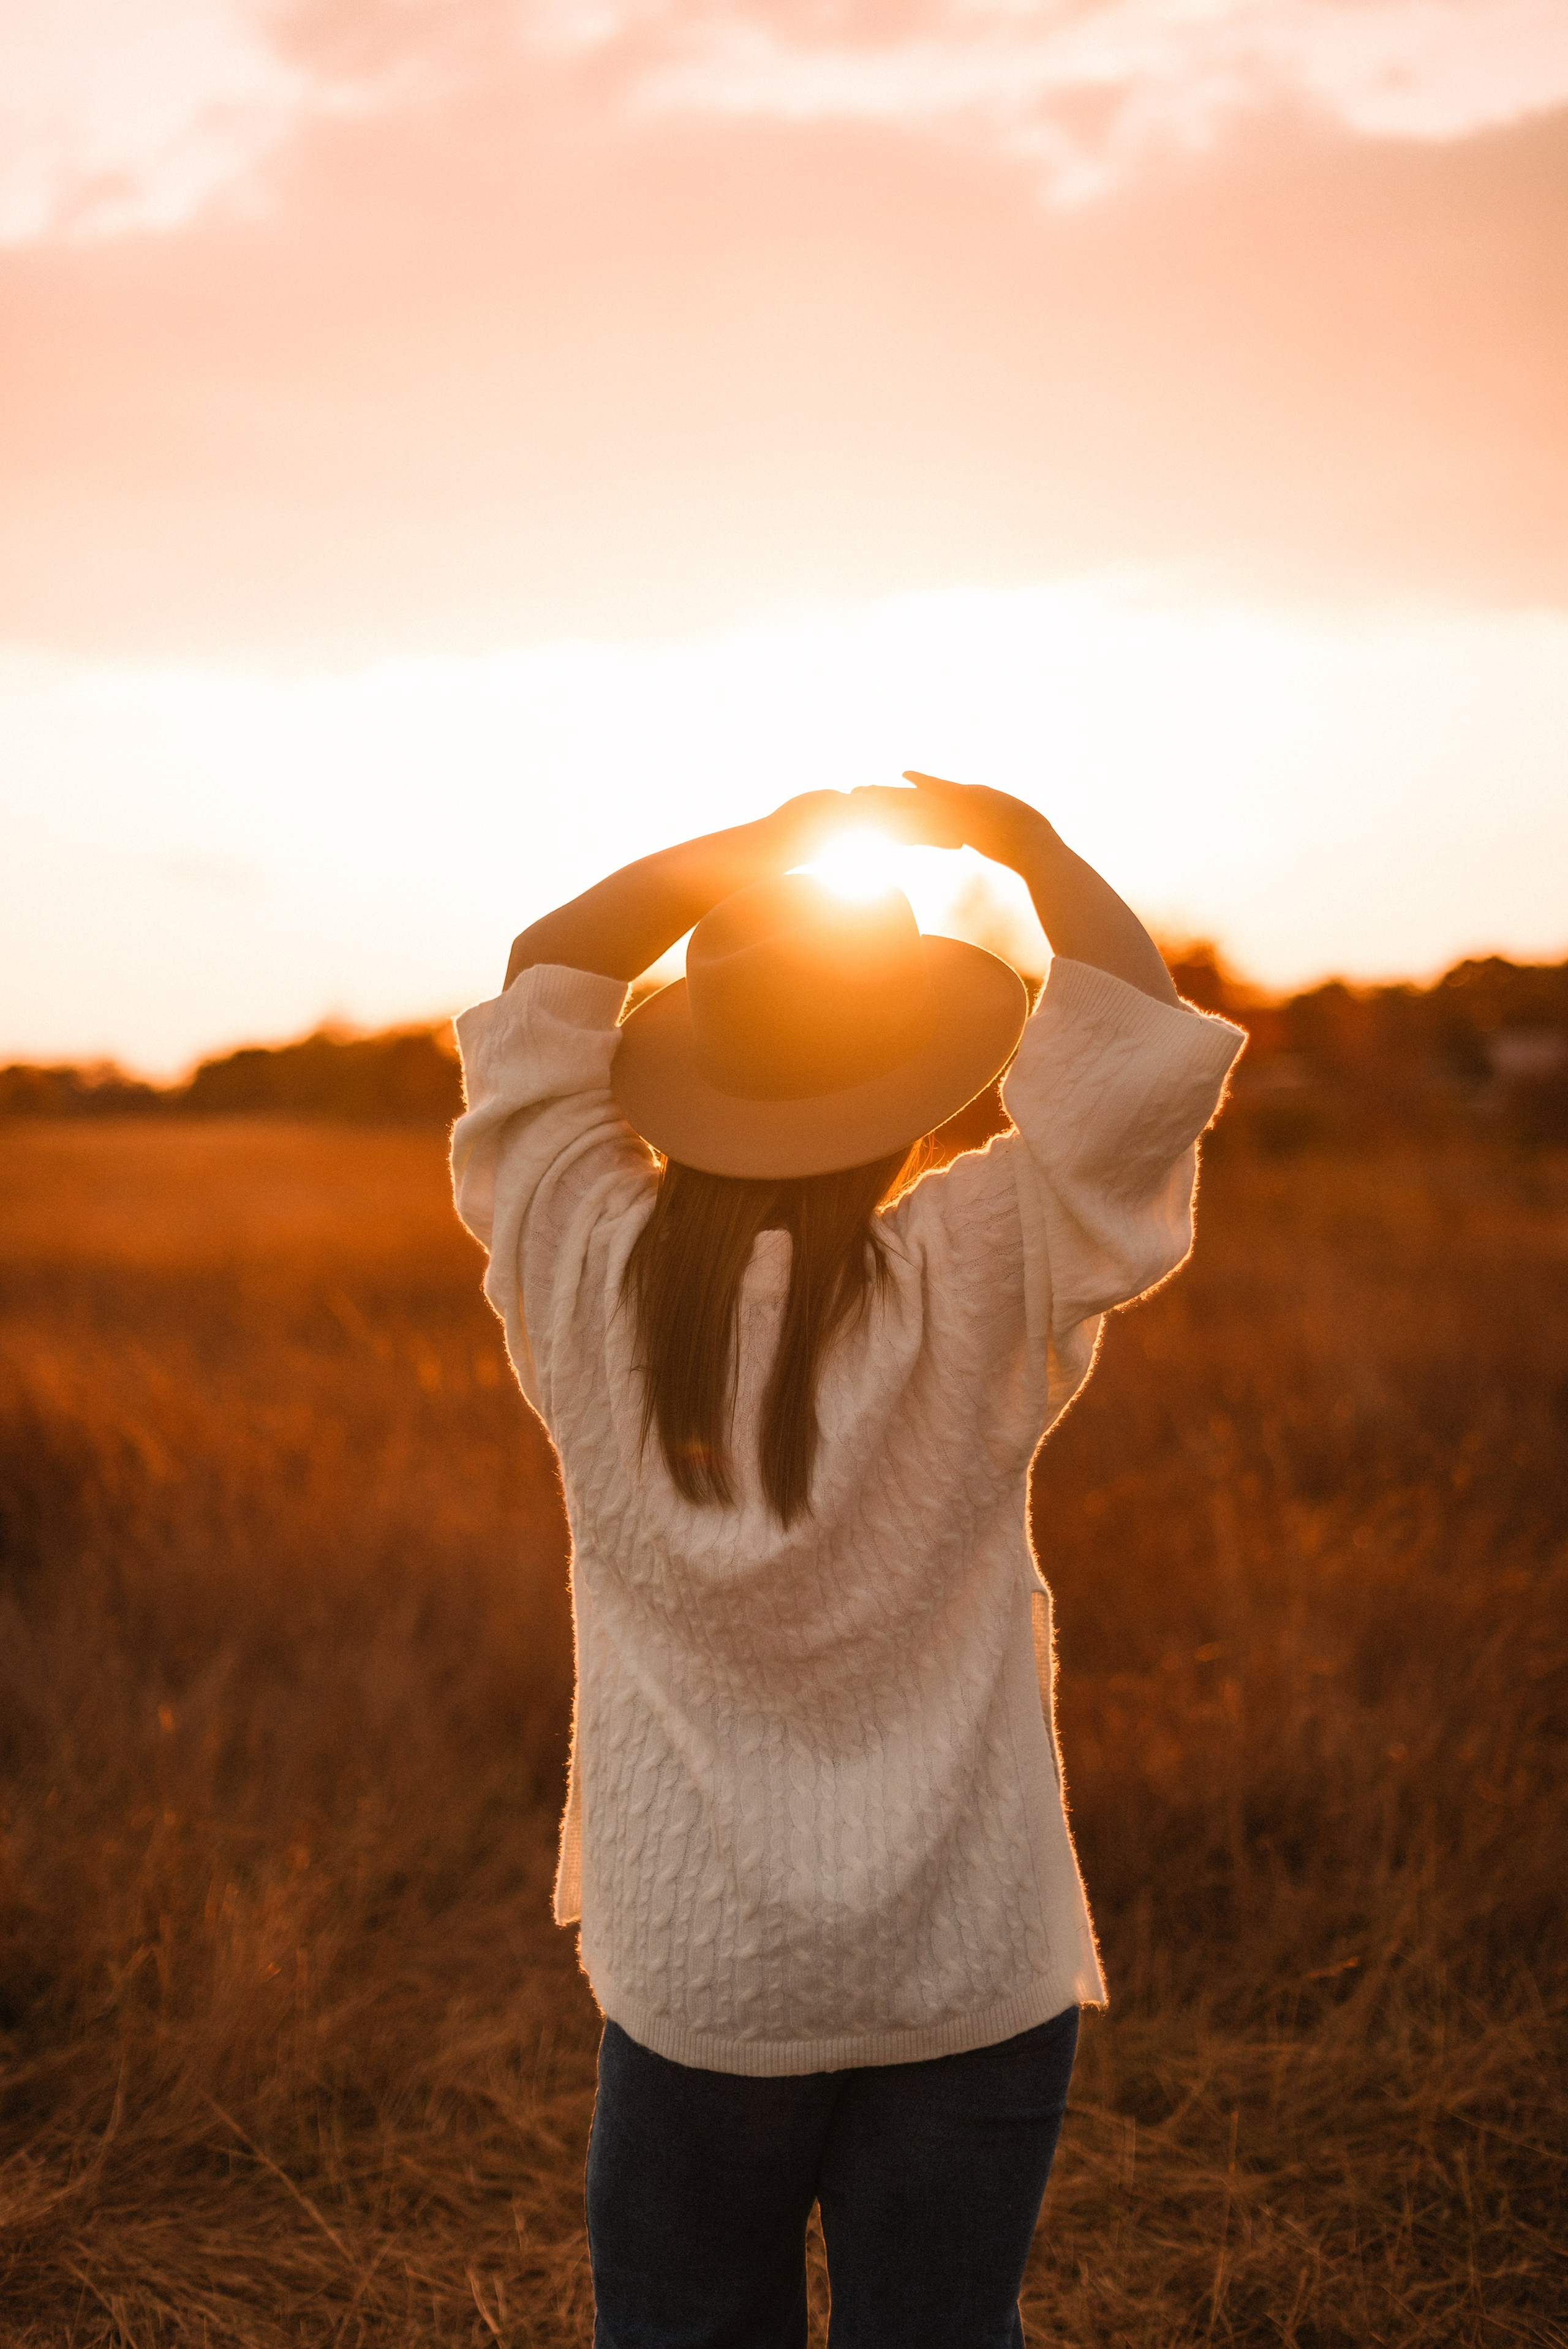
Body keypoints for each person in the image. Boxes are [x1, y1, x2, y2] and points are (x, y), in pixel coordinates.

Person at [450, 772, 1244, 2348]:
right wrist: (1021, 846)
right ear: (903, 1095)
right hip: (966, 1966)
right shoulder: (975, 1268)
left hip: (701, 1989)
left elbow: (547, 969)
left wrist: (754, 853)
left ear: (688, 1084)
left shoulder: (584, 1273)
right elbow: (1134, 1064)